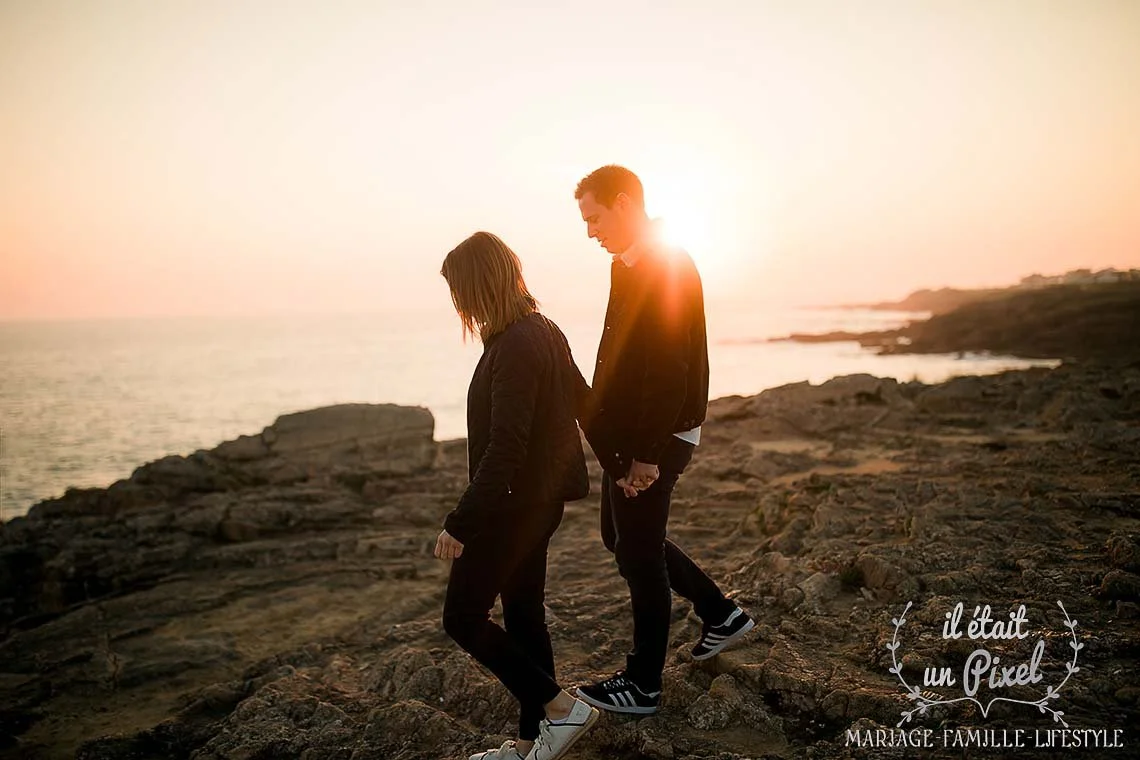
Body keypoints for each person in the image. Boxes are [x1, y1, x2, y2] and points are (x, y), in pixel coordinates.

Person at [570, 165, 755, 715]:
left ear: (624, 203)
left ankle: (644, 684)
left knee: (639, 554)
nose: (589, 232)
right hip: (632, 434)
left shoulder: (666, 264)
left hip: (657, 436)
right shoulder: (626, 265)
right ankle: (721, 613)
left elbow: (668, 368)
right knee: (621, 539)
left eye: (594, 218)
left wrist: (646, 455)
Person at [437, 231, 599, 760]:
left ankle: (560, 708)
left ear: (479, 285)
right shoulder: (539, 330)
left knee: (462, 617)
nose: (458, 304)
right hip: (536, 504)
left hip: (512, 506)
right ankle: (535, 744)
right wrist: (624, 463)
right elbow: (586, 403)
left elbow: (506, 444)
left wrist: (461, 522)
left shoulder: (515, 344)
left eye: (459, 291)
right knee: (525, 615)